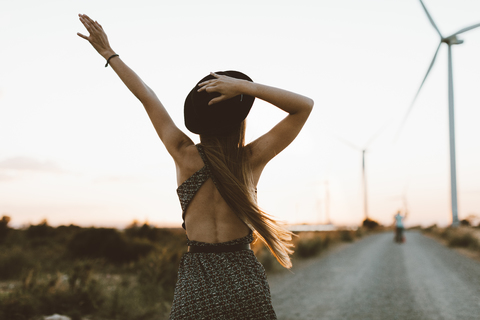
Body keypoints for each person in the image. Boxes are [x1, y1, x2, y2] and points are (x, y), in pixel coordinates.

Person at [77, 14, 313, 319]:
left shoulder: (183, 153)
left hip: (197, 275)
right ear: (239, 121)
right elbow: (303, 106)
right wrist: (244, 86)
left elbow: (147, 96)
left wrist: (109, 54)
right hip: (242, 275)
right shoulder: (249, 160)